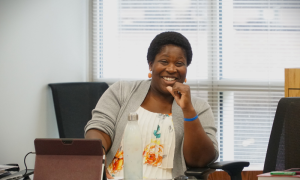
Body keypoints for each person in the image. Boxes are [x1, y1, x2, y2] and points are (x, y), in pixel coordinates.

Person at [85, 31, 219, 179]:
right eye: (164, 61)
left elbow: (201, 160)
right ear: (151, 65)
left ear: (186, 70)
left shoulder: (199, 107)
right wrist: (98, 161)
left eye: (179, 63)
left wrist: (188, 110)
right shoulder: (122, 91)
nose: (171, 69)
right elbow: (99, 127)